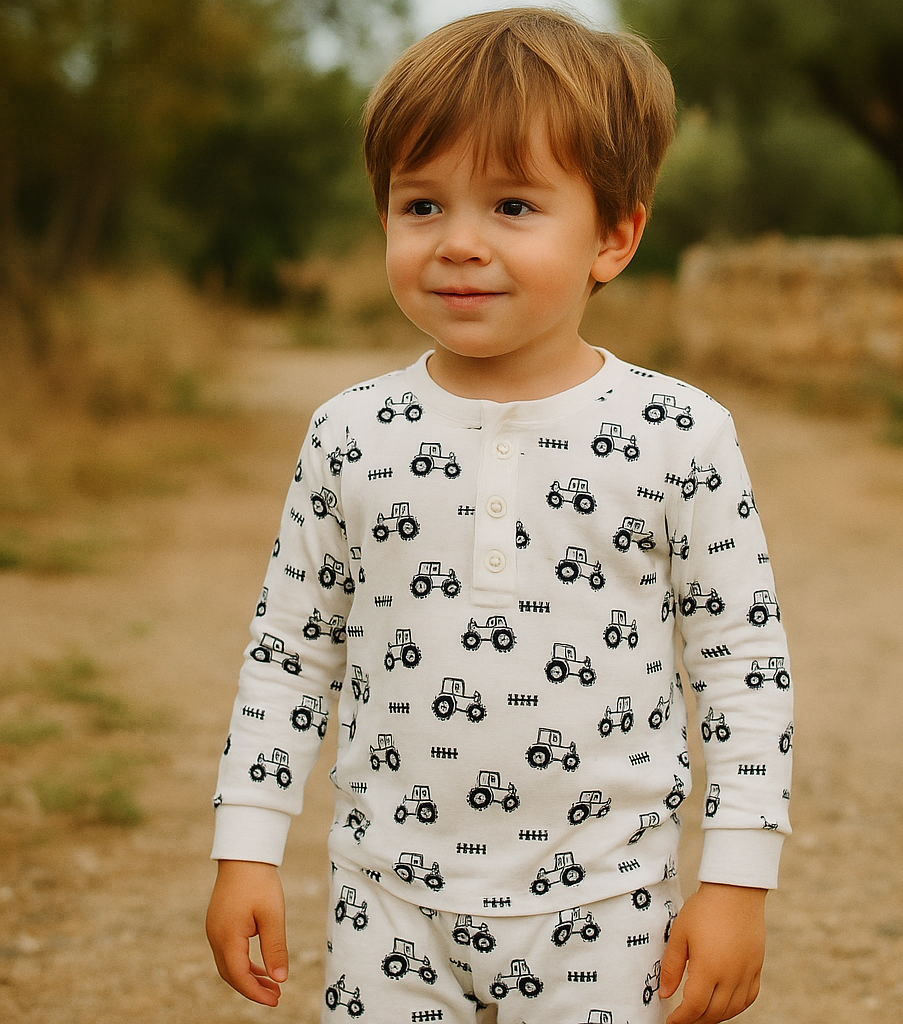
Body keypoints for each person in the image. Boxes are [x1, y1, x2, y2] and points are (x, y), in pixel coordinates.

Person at [205, 9, 793, 1023]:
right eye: (421, 204)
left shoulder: (677, 433)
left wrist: (738, 877)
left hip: (606, 902)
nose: (459, 243)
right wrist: (246, 846)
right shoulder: (351, 433)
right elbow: (289, 653)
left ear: (614, 236)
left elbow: (742, 663)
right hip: (385, 898)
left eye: (514, 204)